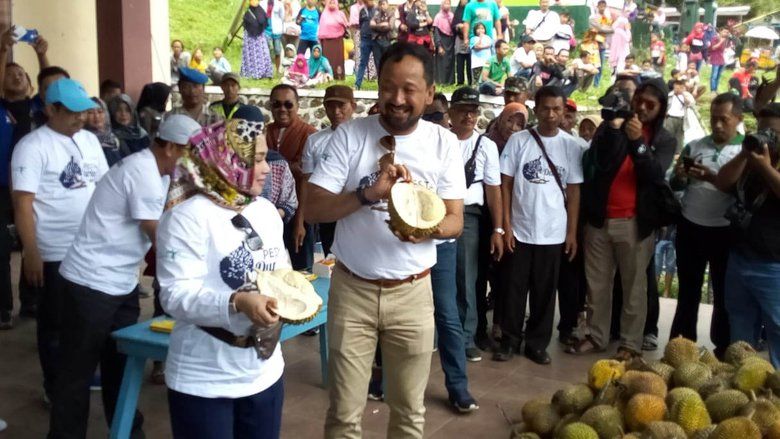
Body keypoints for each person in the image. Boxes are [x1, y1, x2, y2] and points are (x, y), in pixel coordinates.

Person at [305, 42, 465, 438]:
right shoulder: (350, 137)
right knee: (344, 414)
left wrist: (423, 228)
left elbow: (456, 220)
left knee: (410, 413)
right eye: (388, 87)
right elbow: (312, 207)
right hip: (352, 290)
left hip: (413, 293)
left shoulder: (444, 143)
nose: (397, 99)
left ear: (429, 93)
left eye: (409, 89)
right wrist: (367, 195)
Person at [49, 114, 201, 438]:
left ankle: (127, 433)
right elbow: (161, 236)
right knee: (76, 373)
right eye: (192, 153)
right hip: (90, 284)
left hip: (121, 284)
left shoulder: (159, 174)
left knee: (121, 366)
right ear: (172, 147)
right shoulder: (142, 171)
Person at [156, 117, 285, 438]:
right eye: (256, 160)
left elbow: (280, 271)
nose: (267, 168)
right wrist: (237, 301)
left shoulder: (265, 212)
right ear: (227, 161)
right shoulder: (186, 217)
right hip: (203, 377)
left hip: (264, 371)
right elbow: (174, 295)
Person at [11, 78, 109, 406]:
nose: (81, 118)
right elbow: (23, 202)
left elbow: (104, 187)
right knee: (54, 322)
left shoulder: (89, 141)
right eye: (73, 112)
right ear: (51, 110)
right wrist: (32, 252)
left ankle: (79, 373)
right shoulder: (32, 146)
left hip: (90, 248)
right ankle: (54, 384)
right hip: (53, 250)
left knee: (86, 319)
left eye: (84, 111)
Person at [567, 78, 676, 359]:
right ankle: (595, 335)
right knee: (597, 284)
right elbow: (597, 163)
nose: (641, 107)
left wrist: (637, 141)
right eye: (638, 99)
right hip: (600, 220)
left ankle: (630, 343)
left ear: (661, 108)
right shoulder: (611, 126)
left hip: (635, 223)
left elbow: (654, 174)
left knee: (634, 287)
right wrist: (615, 133)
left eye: (649, 104)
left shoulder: (665, 139)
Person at [493, 86, 583, 364]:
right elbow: (505, 184)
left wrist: (571, 233)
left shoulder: (571, 146)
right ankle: (509, 340)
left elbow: (574, 192)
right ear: (536, 108)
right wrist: (506, 226)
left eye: (557, 109)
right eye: (545, 108)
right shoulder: (519, 141)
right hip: (520, 230)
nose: (551, 114)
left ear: (564, 111)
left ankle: (536, 344)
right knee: (513, 289)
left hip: (553, 233)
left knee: (545, 292)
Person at [669, 93, 743, 358]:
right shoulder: (694, 146)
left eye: (724, 119)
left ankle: (723, 347)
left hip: (725, 231)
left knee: (724, 292)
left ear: (739, 119)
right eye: (714, 119)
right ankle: (681, 345)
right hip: (691, 227)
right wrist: (679, 177)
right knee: (688, 290)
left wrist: (713, 178)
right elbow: (675, 185)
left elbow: (744, 193)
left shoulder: (745, 150)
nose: (718, 125)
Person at [715, 111, 780, 367]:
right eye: (763, 130)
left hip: (773, 266)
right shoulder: (749, 162)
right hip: (740, 259)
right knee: (740, 329)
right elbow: (722, 181)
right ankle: (742, 387)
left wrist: (765, 166)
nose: (767, 138)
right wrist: (744, 154)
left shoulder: (764, 165)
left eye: (774, 133)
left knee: (777, 329)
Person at [448, 86, 503, 366]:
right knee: (438, 277)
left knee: (466, 279)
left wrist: (499, 229)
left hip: (469, 216)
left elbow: (494, 190)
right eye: (462, 110)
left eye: (473, 111)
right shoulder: (440, 140)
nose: (468, 116)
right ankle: (443, 334)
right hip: (438, 212)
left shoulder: (486, 146)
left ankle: (466, 338)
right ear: (450, 112)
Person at [265, 84, 317, 270]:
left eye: (288, 105)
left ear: (297, 105)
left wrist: (300, 222)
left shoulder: (309, 135)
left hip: (299, 213)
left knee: (301, 269)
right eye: (276, 104)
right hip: (269, 214)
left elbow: (307, 180)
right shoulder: (264, 132)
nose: (282, 110)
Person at [302, 85, 356, 257]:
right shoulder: (314, 141)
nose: (336, 111)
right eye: (331, 106)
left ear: (353, 106)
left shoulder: (364, 136)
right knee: (331, 261)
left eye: (342, 106)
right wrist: (304, 216)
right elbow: (307, 181)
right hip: (329, 211)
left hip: (357, 210)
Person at [85, 98, 123, 167]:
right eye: (90, 112)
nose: (96, 116)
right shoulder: (83, 141)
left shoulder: (114, 139)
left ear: (106, 114)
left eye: (100, 112)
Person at [242, 0, 274, 79]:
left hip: (260, 37)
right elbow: (246, 23)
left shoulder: (261, 11)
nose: (254, 2)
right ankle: (250, 73)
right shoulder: (247, 12)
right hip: (249, 38)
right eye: (252, 0)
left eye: (256, 0)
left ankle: (264, 73)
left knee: (263, 54)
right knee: (250, 55)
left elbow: (264, 21)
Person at [319, 0, 349, 80]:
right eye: (330, 2)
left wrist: (340, 22)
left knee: (338, 60)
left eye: (333, 2)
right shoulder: (324, 15)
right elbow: (321, 29)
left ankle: (338, 76)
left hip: (338, 41)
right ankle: (327, 76)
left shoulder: (341, 14)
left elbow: (346, 25)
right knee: (327, 60)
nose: (332, 4)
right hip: (327, 42)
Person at [354, 0, 380, 90]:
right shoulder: (362, 11)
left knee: (378, 62)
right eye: (365, 1)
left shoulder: (378, 10)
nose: (367, 3)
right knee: (362, 62)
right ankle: (357, 84)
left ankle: (381, 85)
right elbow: (361, 24)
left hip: (375, 39)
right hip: (365, 39)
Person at [665, 79, 695, 154]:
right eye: (676, 88)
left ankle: (677, 153)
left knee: (679, 137)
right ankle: (667, 150)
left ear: (683, 88)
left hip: (681, 118)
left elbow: (691, 104)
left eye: (680, 88)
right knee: (668, 134)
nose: (677, 90)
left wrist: (684, 95)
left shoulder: (687, 95)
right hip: (670, 118)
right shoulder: (669, 95)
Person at [588, 0, 613, 87]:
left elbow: (610, 30)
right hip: (593, 44)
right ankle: (587, 83)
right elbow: (600, 29)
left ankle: (596, 84)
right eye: (600, 5)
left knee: (600, 66)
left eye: (604, 6)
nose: (602, 7)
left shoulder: (607, 18)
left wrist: (604, 29)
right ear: (597, 6)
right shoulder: (593, 17)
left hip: (602, 44)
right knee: (591, 64)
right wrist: (604, 29)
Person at [433, 0, 455, 85]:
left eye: (449, 3)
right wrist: (439, 46)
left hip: (451, 41)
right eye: (445, 3)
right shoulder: (438, 16)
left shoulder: (451, 16)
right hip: (442, 40)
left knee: (450, 61)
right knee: (442, 61)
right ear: (442, 5)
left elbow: (454, 29)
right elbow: (436, 33)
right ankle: (441, 81)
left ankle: (450, 81)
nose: (447, 5)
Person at [452, 0, 472, 86]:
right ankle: (460, 81)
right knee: (459, 61)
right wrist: (458, 26)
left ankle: (470, 80)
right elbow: (453, 25)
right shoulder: (458, 12)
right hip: (459, 40)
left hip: (469, 39)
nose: (464, 2)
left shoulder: (471, 11)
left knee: (470, 61)